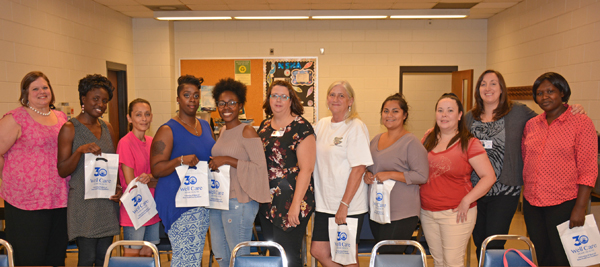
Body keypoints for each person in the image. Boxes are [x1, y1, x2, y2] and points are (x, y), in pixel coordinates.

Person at [466, 70, 587, 257]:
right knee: (479, 239)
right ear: (477, 89)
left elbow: (550, 114)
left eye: (493, 83)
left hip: (505, 188)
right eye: (483, 83)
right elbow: (453, 135)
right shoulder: (469, 118)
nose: (487, 88)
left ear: (501, 89)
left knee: (494, 242)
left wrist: (572, 109)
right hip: (474, 189)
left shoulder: (518, 112)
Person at [521, 72, 598, 266]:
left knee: (563, 257)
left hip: (564, 203)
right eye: (539, 93)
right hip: (533, 203)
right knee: (541, 254)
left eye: (550, 91)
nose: (544, 97)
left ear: (562, 92)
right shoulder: (532, 125)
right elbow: (526, 158)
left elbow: (588, 169)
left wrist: (580, 208)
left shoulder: (581, 123)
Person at [0, 71, 69, 266]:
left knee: (56, 256)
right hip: (25, 201)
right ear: (26, 93)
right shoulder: (15, 118)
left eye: (45, 87)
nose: (41, 92)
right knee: (30, 257)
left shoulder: (60, 116)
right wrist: (9, 176)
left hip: (59, 198)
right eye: (35, 88)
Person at [420, 93, 495, 267]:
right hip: (428, 212)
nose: (444, 115)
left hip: (456, 213)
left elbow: (489, 176)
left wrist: (467, 200)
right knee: (438, 261)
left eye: (450, 110)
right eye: (440, 110)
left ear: (460, 115)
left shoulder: (469, 143)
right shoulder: (427, 138)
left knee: (452, 262)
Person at [150, 75, 215, 266]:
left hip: (200, 199)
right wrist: (180, 160)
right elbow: (156, 169)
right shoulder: (167, 130)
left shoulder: (204, 125)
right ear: (178, 99)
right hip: (177, 201)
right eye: (187, 95)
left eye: (196, 95)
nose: (192, 100)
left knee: (192, 258)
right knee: (185, 258)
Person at [57, 74, 121, 266]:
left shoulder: (107, 127)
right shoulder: (70, 128)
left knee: (104, 259)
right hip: (83, 204)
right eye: (95, 99)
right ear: (83, 98)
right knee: (87, 259)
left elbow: (112, 163)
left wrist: (118, 186)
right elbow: (62, 170)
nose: (100, 104)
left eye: (104, 100)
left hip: (106, 204)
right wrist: (80, 151)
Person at [208, 78, 270, 267]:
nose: (226, 107)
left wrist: (226, 160)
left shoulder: (248, 131)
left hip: (239, 201)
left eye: (232, 103)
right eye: (221, 103)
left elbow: (260, 168)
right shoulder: (223, 131)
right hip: (218, 200)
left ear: (240, 105)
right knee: (221, 255)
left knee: (239, 256)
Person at [310, 80, 373, 267]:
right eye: (332, 95)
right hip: (324, 203)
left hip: (348, 205)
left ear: (350, 101)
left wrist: (344, 205)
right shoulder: (321, 125)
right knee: (318, 250)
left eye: (341, 95)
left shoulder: (355, 126)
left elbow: (359, 168)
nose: (335, 99)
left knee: (346, 256)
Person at [257, 80, 316, 267]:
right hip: (268, 201)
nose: (278, 100)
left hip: (292, 200)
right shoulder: (264, 126)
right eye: (274, 95)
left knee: (288, 255)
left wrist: (295, 206)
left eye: (284, 96)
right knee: (274, 254)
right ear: (269, 99)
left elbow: (307, 169)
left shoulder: (301, 127)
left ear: (291, 101)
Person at [363, 93, 429, 254]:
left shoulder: (411, 142)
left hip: (401, 213)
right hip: (378, 210)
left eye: (395, 111)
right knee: (385, 255)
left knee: (389, 255)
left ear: (404, 115)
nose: (389, 115)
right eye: (386, 111)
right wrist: (366, 174)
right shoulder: (376, 140)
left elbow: (422, 175)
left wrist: (391, 174)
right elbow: (369, 166)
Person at [117, 98, 161, 257]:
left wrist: (151, 177)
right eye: (138, 115)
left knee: (147, 255)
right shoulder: (125, 143)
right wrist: (152, 179)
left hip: (153, 208)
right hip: (135, 208)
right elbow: (131, 183)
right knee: (132, 258)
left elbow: (158, 173)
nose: (144, 119)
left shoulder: (152, 142)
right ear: (129, 118)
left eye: (147, 114)